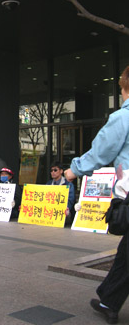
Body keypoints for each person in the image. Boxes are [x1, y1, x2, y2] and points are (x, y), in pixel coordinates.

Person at [64, 65, 129, 325]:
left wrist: (74, 170)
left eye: (122, 90)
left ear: (125, 88)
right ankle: (108, 300)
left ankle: (109, 301)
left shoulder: (123, 117)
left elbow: (101, 152)